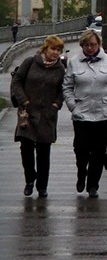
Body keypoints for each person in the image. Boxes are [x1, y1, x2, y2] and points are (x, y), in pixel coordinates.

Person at [62, 29, 107, 198]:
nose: (90, 48)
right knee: (81, 149)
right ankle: (81, 173)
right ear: (82, 46)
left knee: (98, 151)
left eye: (93, 44)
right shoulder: (74, 62)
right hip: (82, 113)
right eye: (87, 45)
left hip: (104, 113)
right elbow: (67, 87)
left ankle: (93, 185)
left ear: (99, 45)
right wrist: (72, 106)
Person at [11, 35, 67, 197]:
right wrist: (24, 100)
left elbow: (63, 89)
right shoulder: (30, 62)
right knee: (26, 148)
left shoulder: (60, 69)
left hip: (47, 115)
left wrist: (56, 105)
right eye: (53, 49)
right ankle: (30, 180)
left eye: (59, 50)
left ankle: (42, 186)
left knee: (43, 152)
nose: (56, 53)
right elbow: (17, 81)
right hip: (27, 113)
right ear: (45, 48)